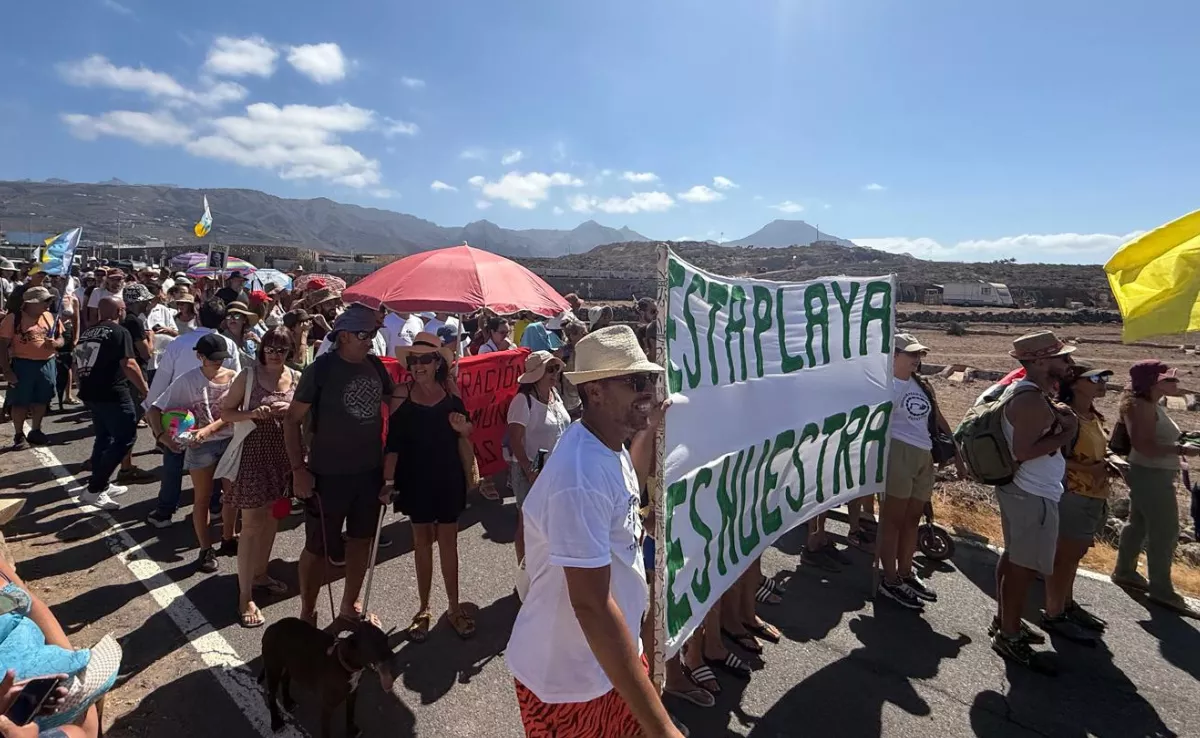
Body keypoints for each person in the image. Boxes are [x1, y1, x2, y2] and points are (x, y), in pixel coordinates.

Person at [506, 325, 683, 738]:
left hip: (602, 663)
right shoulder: (580, 473)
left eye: (651, 380)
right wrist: (662, 727)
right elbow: (591, 604)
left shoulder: (607, 443)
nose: (648, 391)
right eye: (636, 381)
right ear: (596, 392)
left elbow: (626, 494)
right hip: (569, 680)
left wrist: (650, 427)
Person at [285, 305, 397, 628]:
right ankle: (307, 612)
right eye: (363, 335)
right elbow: (291, 420)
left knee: (362, 541)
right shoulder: (320, 370)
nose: (370, 341)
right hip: (326, 476)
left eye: (373, 334)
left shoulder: (375, 365)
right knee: (316, 548)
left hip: (369, 473)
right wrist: (298, 470)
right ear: (343, 336)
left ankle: (350, 604)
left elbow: (396, 401)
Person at [991, 331, 1077, 671]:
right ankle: (1009, 634)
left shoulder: (1036, 394)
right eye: (1062, 357)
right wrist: (1065, 433)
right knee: (1022, 568)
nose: (1068, 363)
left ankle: (1005, 622)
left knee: (1015, 560)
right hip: (1030, 493)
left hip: (1029, 490)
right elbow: (1023, 452)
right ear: (1040, 361)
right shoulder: (1028, 398)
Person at [385, 331, 475, 640]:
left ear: (437, 362)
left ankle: (453, 608)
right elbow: (392, 443)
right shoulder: (400, 393)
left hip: (448, 475)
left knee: (448, 542)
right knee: (421, 541)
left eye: (424, 359)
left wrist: (464, 429)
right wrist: (387, 481)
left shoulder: (451, 390)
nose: (417, 365)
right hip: (414, 479)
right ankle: (423, 609)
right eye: (413, 360)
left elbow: (468, 427)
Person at [877, 333, 964, 610]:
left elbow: (936, 417)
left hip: (922, 454)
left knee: (912, 518)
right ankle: (889, 578)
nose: (917, 359)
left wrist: (956, 452)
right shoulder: (885, 387)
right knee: (892, 520)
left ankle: (905, 571)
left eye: (919, 354)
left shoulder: (921, 384)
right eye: (911, 354)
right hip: (897, 454)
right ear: (894, 355)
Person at [219, 327, 299, 628]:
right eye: (270, 347)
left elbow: (305, 414)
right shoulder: (248, 376)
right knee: (251, 525)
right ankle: (245, 595)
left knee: (274, 517)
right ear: (262, 348)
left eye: (281, 348)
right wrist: (254, 413)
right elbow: (226, 413)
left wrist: (290, 408)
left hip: (284, 457)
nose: (275, 353)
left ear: (289, 350)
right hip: (252, 455)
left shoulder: (296, 377)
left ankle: (261, 572)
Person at [1112, 359, 1200, 617]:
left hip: (1150, 473)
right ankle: (1162, 590)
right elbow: (1143, 445)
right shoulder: (1140, 406)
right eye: (1169, 378)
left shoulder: (1148, 403)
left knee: (1137, 523)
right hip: (1151, 474)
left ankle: (1125, 571)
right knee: (1166, 530)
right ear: (1153, 381)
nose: (1176, 382)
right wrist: (1181, 450)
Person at [143, 300, 241, 530]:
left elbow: (163, 376)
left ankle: (165, 510)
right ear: (223, 319)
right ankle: (216, 507)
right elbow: (235, 378)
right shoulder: (229, 345)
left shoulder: (179, 342)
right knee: (216, 465)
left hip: (178, 413)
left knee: (174, 461)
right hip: (214, 417)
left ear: (198, 314)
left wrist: (151, 407)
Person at [147, 334, 239, 574]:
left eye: (222, 358)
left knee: (231, 495)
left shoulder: (233, 378)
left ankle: (229, 537)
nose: (219, 363)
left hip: (230, 440)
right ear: (200, 357)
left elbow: (235, 412)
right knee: (203, 497)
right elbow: (154, 409)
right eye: (213, 359)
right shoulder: (186, 381)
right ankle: (205, 548)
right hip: (201, 446)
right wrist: (162, 437)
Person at [1043, 364, 1114, 642]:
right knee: (1063, 558)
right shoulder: (1065, 415)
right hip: (1072, 493)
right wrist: (1091, 470)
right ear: (1075, 384)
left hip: (1092, 494)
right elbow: (1052, 455)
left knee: (1073, 557)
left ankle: (1067, 605)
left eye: (1104, 377)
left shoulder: (1091, 416)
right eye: (1095, 378)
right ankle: (1054, 613)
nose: (1102, 382)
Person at [74, 296, 150, 510]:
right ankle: (94, 489)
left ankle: (101, 484)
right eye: (123, 309)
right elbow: (129, 363)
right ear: (119, 311)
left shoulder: (88, 333)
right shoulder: (120, 332)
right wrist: (145, 390)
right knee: (126, 437)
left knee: (104, 438)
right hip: (113, 392)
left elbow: (77, 362)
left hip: (91, 392)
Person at [506, 351, 571, 567]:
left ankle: (544, 571)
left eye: (556, 369)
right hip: (532, 469)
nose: (555, 374)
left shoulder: (555, 395)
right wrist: (528, 469)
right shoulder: (522, 401)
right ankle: (525, 574)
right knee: (527, 525)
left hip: (556, 470)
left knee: (552, 524)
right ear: (537, 374)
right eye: (549, 369)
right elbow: (515, 440)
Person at [0, 286, 63, 449]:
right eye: (44, 301)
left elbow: (61, 337)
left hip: (47, 363)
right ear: (30, 303)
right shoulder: (13, 319)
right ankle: (19, 435)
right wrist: (7, 370)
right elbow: (2, 346)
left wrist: (56, 344)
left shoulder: (49, 316)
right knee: (20, 402)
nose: (48, 305)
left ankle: (36, 430)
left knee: (42, 399)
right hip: (23, 364)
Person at [222, 301, 259, 367]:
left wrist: (259, 344)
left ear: (244, 319)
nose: (232, 319)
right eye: (228, 316)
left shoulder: (251, 340)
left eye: (236, 315)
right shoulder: (223, 340)